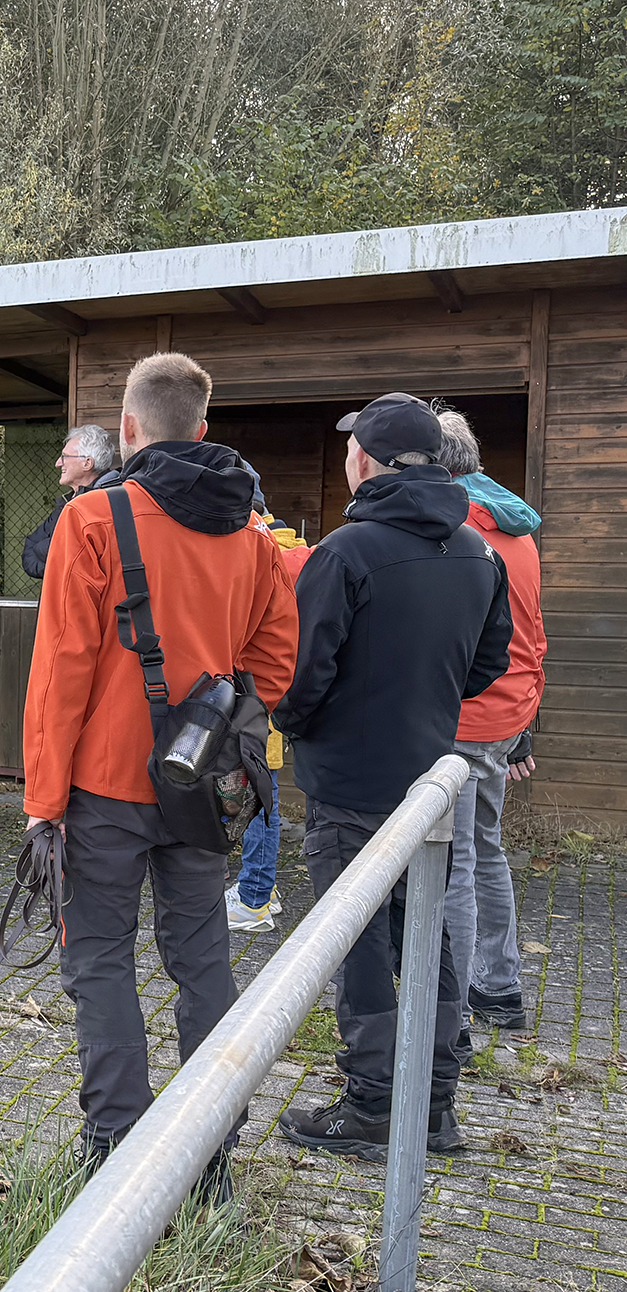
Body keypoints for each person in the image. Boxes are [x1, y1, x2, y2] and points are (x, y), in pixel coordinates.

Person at [22, 352, 299, 1203]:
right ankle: (208, 1153)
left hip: (102, 787)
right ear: (204, 430)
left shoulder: (93, 520)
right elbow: (275, 663)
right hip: (202, 791)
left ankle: (116, 1151)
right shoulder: (255, 540)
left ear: (129, 430)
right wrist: (219, 724)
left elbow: (62, 670)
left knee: (100, 961)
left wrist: (42, 803)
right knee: (202, 960)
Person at [274, 392, 512, 1159]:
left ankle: (374, 1104)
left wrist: (292, 723)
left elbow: (305, 676)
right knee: (429, 937)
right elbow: (488, 664)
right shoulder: (480, 552)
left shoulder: (345, 551)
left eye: (351, 447)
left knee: (361, 946)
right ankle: (434, 1106)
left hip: (348, 787)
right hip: (428, 783)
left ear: (366, 460)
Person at [431, 406, 547, 1038]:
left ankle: (450, 1016)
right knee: (485, 848)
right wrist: (527, 722)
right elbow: (530, 628)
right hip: (507, 711)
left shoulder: (460, 531)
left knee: (454, 863)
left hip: (466, 714)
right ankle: (498, 985)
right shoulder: (516, 526)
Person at [226, 471, 309, 933]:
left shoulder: (259, 552)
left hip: (256, 698)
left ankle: (256, 898)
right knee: (264, 794)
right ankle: (264, 887)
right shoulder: (295, 549)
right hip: (278, 696)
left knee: (261, 799)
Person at [23, 424, 123, 579]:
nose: (58, 463)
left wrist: (52, 556)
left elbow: (78, 560)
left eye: (64, 457)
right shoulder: (69, 500)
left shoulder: (106, 503)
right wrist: (59, 562)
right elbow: (29, 550)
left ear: (87, 463)